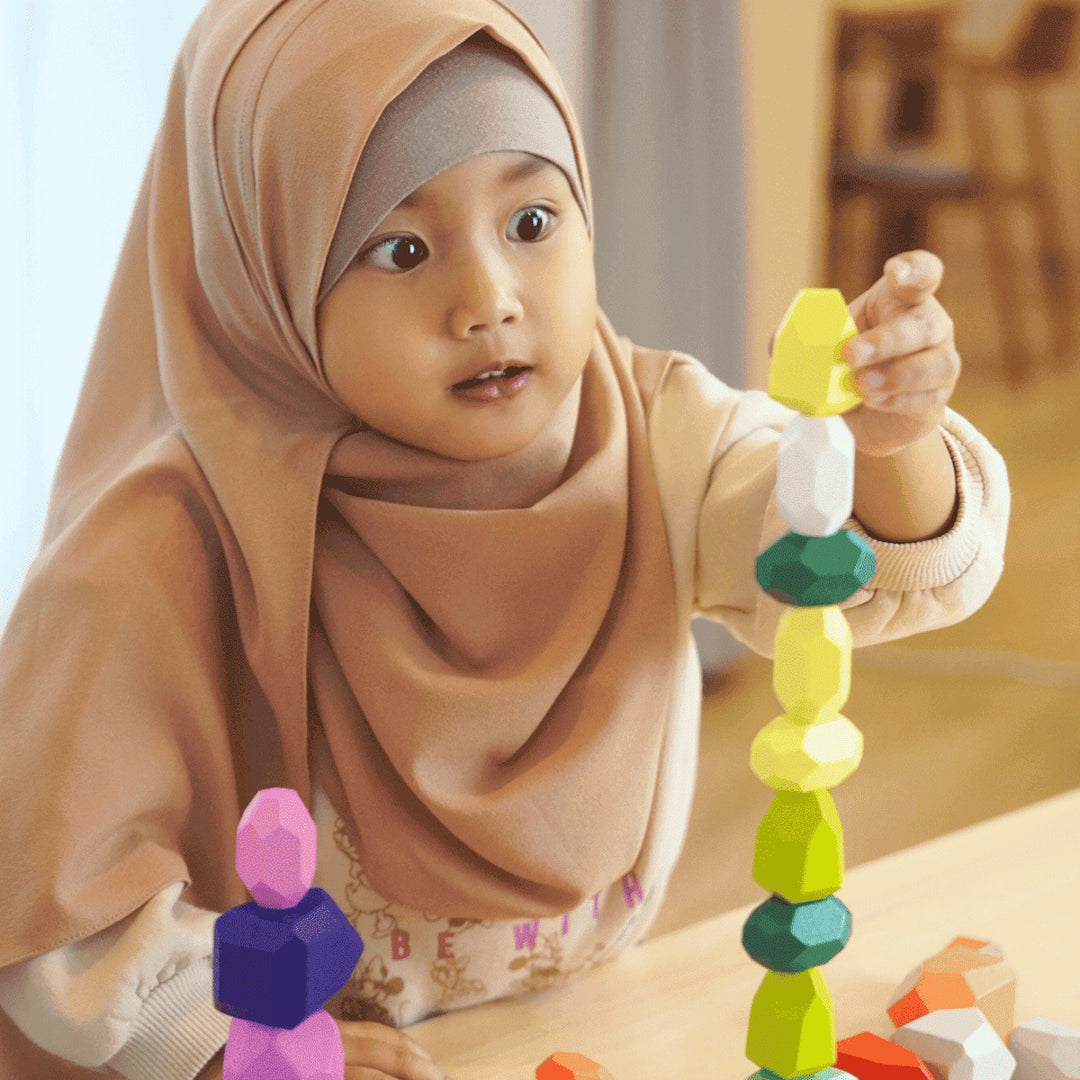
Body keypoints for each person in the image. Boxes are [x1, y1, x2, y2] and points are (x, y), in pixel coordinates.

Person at [0, 0, 1009, 1078]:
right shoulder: (163, 539)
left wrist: (891, 442)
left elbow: (842, 554)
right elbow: (60, 895)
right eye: (399, 249)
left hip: (576, 1024)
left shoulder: (655, 432)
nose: (487, 300)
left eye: (531, 224)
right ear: (267, 283)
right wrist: (233, 1046)